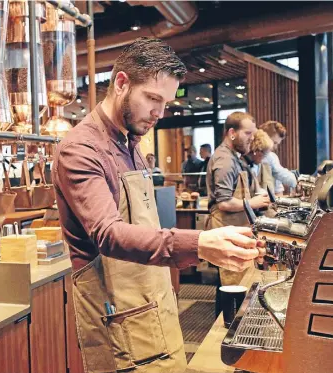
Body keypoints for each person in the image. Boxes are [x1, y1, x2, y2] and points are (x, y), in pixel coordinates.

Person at [52, 38, 264, 373]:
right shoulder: (80, 148)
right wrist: (198, 243)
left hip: (155, 307)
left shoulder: (130, 142)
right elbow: (108, 234)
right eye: (152, 98)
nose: (159, 113)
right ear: (121, 82)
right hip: (117, 318)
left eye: (165, 102)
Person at [205, 112, 270, 286]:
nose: (252, 138)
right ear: (232, 133)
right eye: (247, 134)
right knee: (231, 286)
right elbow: (224, 202)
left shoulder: (235, 158)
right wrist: (253, 203)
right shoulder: (224, 159)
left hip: (236, 228)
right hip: (226, 227)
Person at [259, 120, 297, 195]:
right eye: (274, 142)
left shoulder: (272, 157)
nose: (275, 147)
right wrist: (297, 182)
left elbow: (278, 188)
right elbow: (282, 174)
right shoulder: (270, 157)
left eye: (277, 144)